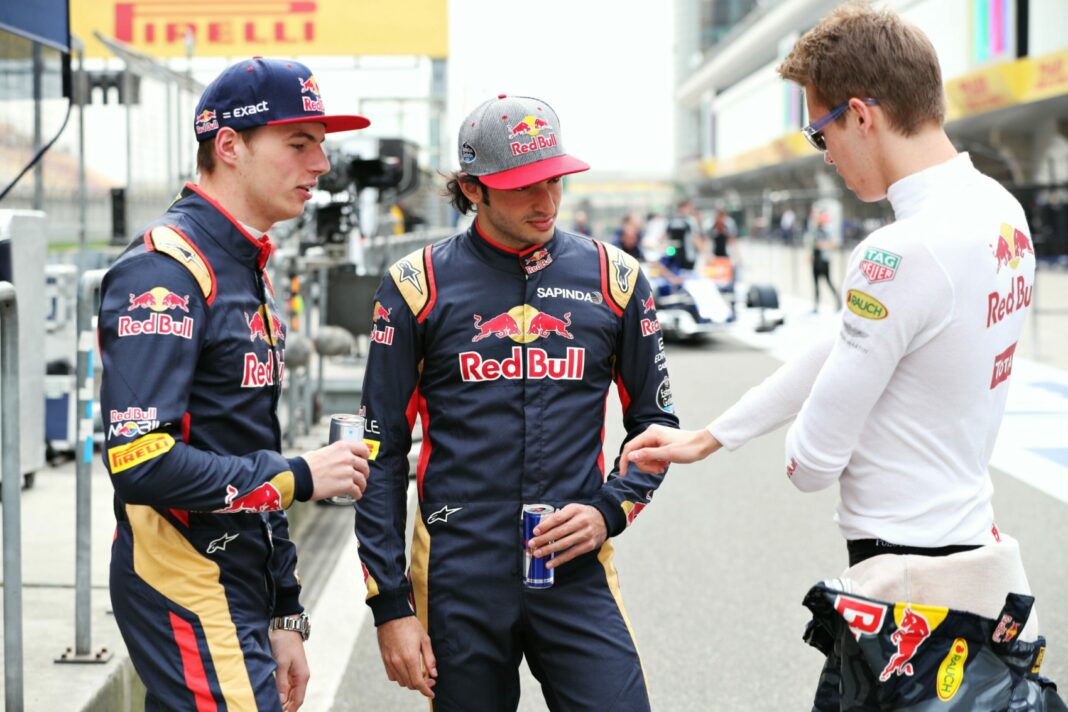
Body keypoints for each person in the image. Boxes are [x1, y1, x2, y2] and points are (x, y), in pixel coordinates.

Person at [620, 3, 1061, 709]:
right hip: (978, 556)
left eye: (817, 131)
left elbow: (809, 465)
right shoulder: (997, 208)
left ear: (861, 115)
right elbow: (843, 338)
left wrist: (825, 429)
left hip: (905, 594)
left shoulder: (895, 254)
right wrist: (711, 436)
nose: (821, 152)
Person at [356, 94, 679, 711]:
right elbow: (380, 455)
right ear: (473, 189)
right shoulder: (415, 286)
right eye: (525, 186)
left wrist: (609, 511)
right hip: (457, 572)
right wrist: (389, 606)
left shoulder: (617, 279)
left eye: (554, 179)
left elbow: (656, 425)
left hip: (573, 562)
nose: (547, 201)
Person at [98, 58, 372, 712]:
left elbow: (249, 438)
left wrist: (285, 612)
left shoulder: (246, 263)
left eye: (323, 145)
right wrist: (301, 475)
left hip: (240, 574)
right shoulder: (165, 273)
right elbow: (139, 460)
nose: (321, 166)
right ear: (229, 145)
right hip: (185, 571)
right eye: (299, 143)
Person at [806, 210, 842, 312]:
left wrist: (821, 245)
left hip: (824, 260)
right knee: (815, 283)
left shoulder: (827, 229)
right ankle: (816, 306)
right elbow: (810, 243)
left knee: (828, 281)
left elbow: (833, 243)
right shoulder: (814, 230)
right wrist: (809, 254)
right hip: (816, 259)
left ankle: (838, 301)